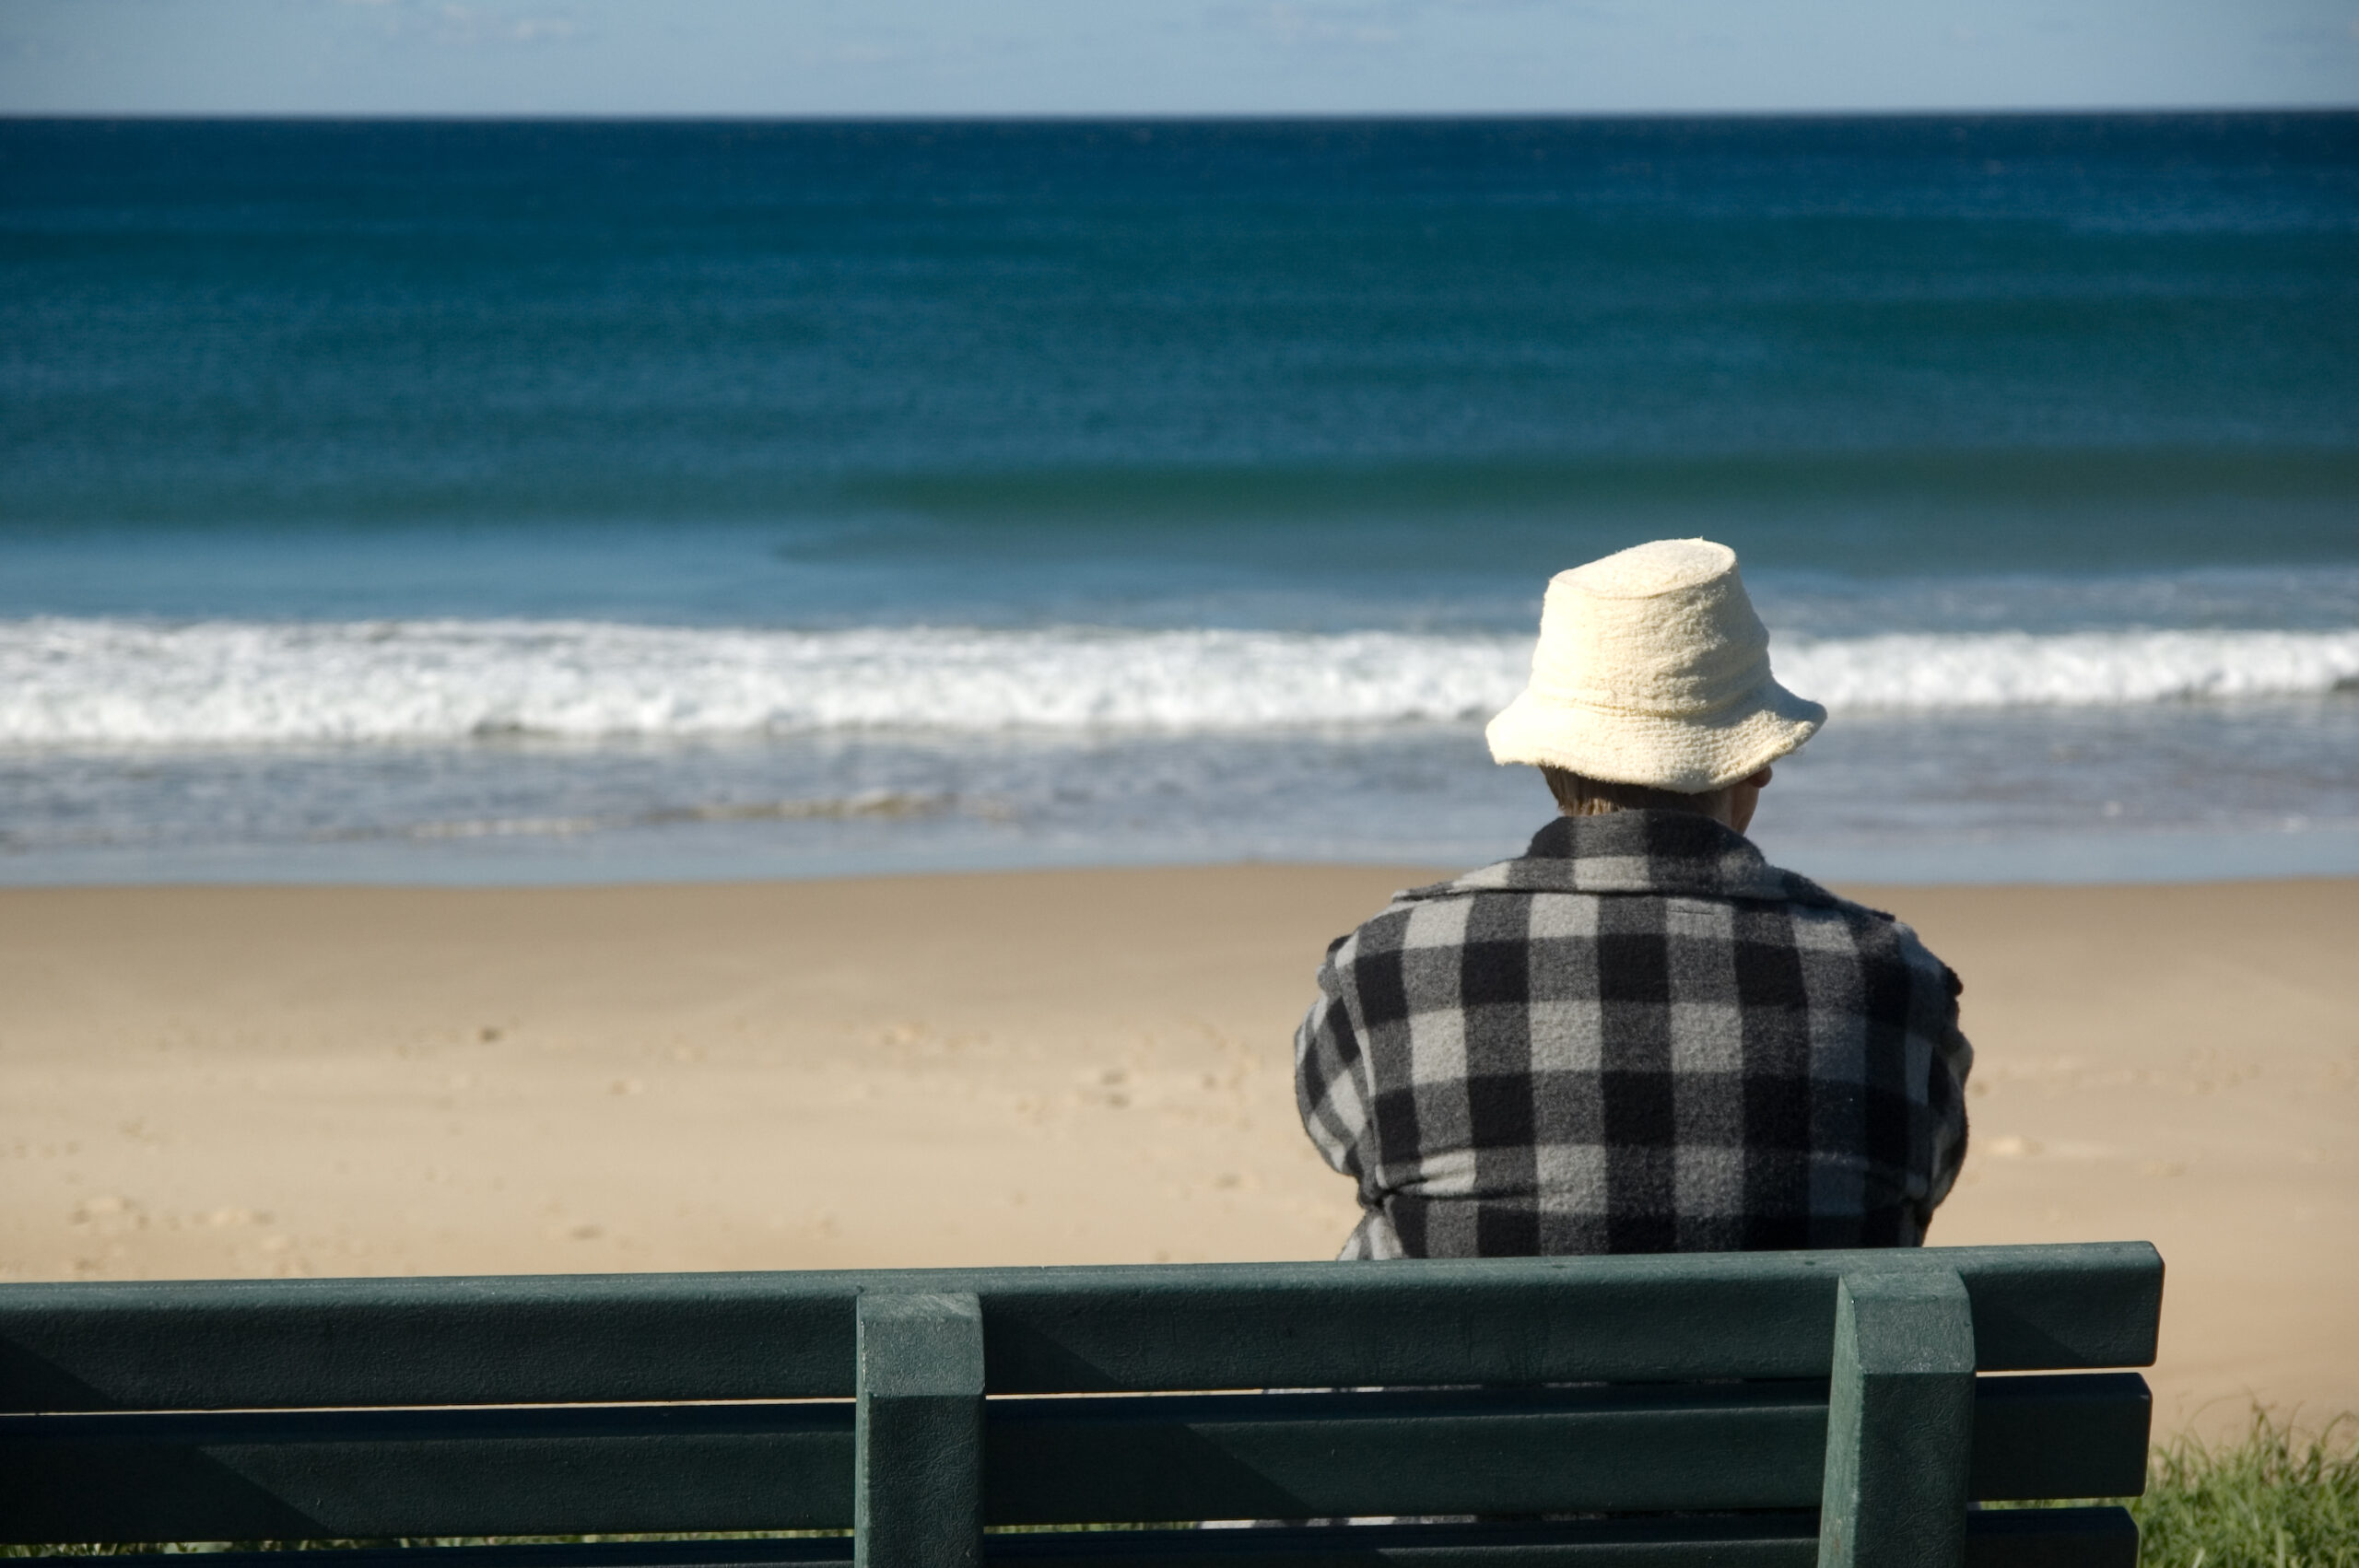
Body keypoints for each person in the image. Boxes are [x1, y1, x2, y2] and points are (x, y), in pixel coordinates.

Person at [1295, 538, 1971, 1259]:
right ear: (1758, 762)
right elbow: (1921, 1182)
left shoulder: (1386, 972)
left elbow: (1350, 1147)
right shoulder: (1894, 980)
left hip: (1476, 1376)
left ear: (1549, 759)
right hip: (1807, 1378)